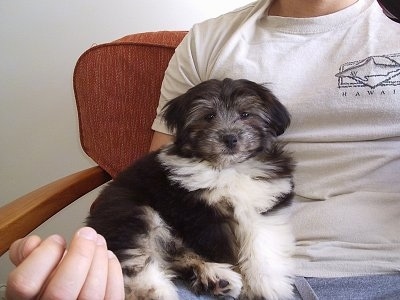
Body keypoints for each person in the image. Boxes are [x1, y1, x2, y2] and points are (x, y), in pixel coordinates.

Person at [7, 0, 400, 299]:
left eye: (246, 116)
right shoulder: (210, 39)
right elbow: (162, 179)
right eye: (209, 119)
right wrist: (108, 254)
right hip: (212, 271)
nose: (229, 132)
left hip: (380, 269)